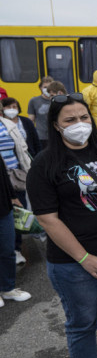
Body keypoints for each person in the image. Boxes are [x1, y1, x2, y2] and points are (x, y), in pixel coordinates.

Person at [26, 93, 97, 358]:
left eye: (84, 117)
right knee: (82, 324)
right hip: (72, 264)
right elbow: (48, 219)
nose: (80, 123)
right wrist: (83, 258)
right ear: (56, 125)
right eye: (71, 119)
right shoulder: (44, 163)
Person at [1, 98, 38, 265]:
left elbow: (22, 149)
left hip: (15, 176)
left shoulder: (7, 125)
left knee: (17, 213)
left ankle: (16, 248)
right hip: (1, 180)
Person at [0, 156, 31, 308]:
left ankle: (8, 288)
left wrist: (12, 197)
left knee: (7, 250)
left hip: (3, 208)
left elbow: (3, 174)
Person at [27, 76, 53, 150]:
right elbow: (31, 119)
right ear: (40, 88)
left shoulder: (57, 100)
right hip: (41, 137)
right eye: (45, 87)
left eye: (50, 87)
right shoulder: (34, 101)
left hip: (55, 136)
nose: (47, 89)